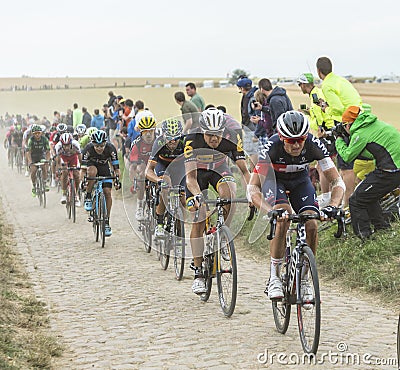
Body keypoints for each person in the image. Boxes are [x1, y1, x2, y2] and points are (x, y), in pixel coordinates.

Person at [247, 111, 344, 299]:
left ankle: (305, 279)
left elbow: (337, 182)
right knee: (283, 216)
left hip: (301, 182)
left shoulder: (314, 145)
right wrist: (269, 212)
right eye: (291, 141)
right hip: (275, 182)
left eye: (300, 139)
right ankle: (274, 277)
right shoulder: (271, 148)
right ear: (282, 138)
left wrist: (333, 205)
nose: (297, 144)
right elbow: (253, 188)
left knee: (311, 223)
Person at [184, 107, 250, 294]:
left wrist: (251, 194)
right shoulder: (191, 139)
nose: (214, 139)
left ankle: (223, 234)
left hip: (219, 171)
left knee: (230, 194)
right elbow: (190, 179)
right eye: (210, 135)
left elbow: (245, 171)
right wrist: (198, 197)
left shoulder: (232, 136)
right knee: (199, 216)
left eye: (218, 134)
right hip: (196, 176)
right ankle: (198, 273)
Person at [335, 106, 400, 240]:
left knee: (356, 200)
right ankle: (382, 228)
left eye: (345, 125)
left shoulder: (361, 133)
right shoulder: (374, 124)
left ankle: (364, 236)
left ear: (349, 124)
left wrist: (339, 140)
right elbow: (371, 153)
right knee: (368, 194)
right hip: (393, 167)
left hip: (390, 171)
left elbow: (347, 156)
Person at [316, 56, 362, 207]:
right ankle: (351, 199)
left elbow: (339, 108)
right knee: (350, 165)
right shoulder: (340, 80)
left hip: (346, 124)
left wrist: (326, 108)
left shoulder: (327, 85)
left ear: (318, 71)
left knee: (345, 167)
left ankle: (347, 203)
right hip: (358, 118)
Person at [297, 72, 336, 207]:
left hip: (326, 134)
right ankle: (328, 195)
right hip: (329, 132)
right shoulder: (317, 93)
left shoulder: (316, 96)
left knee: (322, 166)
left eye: (299, 84)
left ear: (304, 84)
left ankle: (327, 196)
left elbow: (320, 120)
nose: (299, 87)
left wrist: (306, 118)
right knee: (324, 165)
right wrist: (308, 113)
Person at [145, 118, 186, 237]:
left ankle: (179, 229)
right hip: (163, 166)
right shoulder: (158, 143)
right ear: (164, 136)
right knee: (165, 185)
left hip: (179, 167)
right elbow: (148, 170)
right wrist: (158, 180)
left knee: (183, 199)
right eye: (169, 138)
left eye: (176, 138)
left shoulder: (184, 142)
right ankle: (160, 223)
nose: (173, 141)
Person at [81, 130, 120, 237]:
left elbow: (116, 168)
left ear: (105, 143)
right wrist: (83, 181)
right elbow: (83, 170)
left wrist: (117, 180)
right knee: (92, 172)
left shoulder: (110, 148)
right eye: (96, 146)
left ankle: (106, 221)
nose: (99, 148)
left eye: (102, 145)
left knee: (107, 192)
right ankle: (88, 196)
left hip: (104, 168)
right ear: (92, 144)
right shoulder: (88, 149)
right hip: (91, 166)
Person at [130, 116, 157, 221]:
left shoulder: (159, 140)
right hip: (143, 163)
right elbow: (133, 167)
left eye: (151, 131)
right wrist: (134, 183)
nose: (149, 134)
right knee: (142, 173)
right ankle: (140, 206)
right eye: (145, 131)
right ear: (141, 132)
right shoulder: (137, 144)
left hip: (156, 163)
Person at [236, 76, 259, 172]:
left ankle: (254, 175)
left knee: (252, 152)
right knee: (251, 152)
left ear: (242, 88)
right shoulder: (249, 95)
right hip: (251, 129)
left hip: (252, 129)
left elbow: (255, 113)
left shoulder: (252, 98)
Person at [54, 132, 82, 206]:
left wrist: (81, 166)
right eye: (65, 145)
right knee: (65, 173)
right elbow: (58, 160)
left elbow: (79, 157)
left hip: (73, 157)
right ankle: (64, 193)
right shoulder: (58, 146)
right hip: (64, 158)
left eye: (68, 145)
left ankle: (76, 195)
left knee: (76, 174)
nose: (66, 147)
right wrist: (59, 169)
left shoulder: (76, 144)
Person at [26, 124, 51, 196]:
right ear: (33, 134)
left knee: (44, 167)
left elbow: (48, 151)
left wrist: (47, 160)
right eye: (35, 133)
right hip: (33, 156)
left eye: (38, 133)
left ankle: (45, 182)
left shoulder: (45, 139)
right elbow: (28, 152)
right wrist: (30, 162)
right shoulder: (31, 140)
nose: (37, 135)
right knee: (33, 171)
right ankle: (34, 186)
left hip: (41, 155)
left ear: (41, 133)